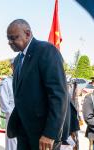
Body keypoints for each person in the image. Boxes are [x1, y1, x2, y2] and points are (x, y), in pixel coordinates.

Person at [6, 19, 68, 150]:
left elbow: (58, 95)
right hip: (24, 132)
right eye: (8, 39)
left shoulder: (46, 51)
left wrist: (50, 133)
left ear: (27, 34)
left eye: (14, 38)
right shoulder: (18, 60)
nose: (10, 42)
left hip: (43, 134)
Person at [0, 59, 17, 150]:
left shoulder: (25, 80)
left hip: (25, 116)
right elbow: (3, 100)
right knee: (12, 142)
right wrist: (11, 113)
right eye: (15, 65)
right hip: (12, 114)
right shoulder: (6, 82)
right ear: (12, 67)